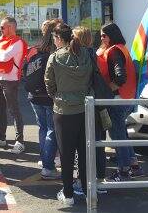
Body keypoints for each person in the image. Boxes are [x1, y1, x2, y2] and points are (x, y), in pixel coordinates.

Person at [45, 23, 93, 206]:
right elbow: (89, 79)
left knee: (66, 154)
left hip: (64, 110)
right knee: (84, 152)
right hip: (84, 107)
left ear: (58, 39)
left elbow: (49, 84)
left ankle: (68, 195)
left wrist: (58, 96)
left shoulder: (55, 57)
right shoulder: (85, 54)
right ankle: (89, 193)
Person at [97, 22, 143, 180]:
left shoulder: (114, 51)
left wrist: (107, 89)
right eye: (101, 35)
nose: (101, 38)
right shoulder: (120, 48)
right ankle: (133, 165)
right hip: (126, 97)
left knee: (117, 135)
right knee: (121, 132)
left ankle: (123, 171)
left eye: (104, 35)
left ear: (112, 35)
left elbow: (120, 77)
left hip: (118, 98)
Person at [22, 19, 62, 180]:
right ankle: (48, 166)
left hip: (34, 95)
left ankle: (45, 160)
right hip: (50, 96)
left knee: (43, 128)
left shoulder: (36, 50)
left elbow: (26, 70)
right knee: (52, 130)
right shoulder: (56, 52)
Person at [73, 27, 107, 185]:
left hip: (87, 101)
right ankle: (100, 177)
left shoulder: (81, 55)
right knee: (97, 140)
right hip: (97, 101)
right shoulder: (95, 53)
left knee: (84, 142)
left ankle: (84, 180)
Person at [0, 16, 27, 154]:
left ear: (11, 27)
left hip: (10, 80)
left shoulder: (18, 42)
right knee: (0, 110)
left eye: (2, 27)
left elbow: (5, 56)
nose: (0, 29)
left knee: (14, 110)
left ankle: (20, 141)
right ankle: (1, 137)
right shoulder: (0, 40)